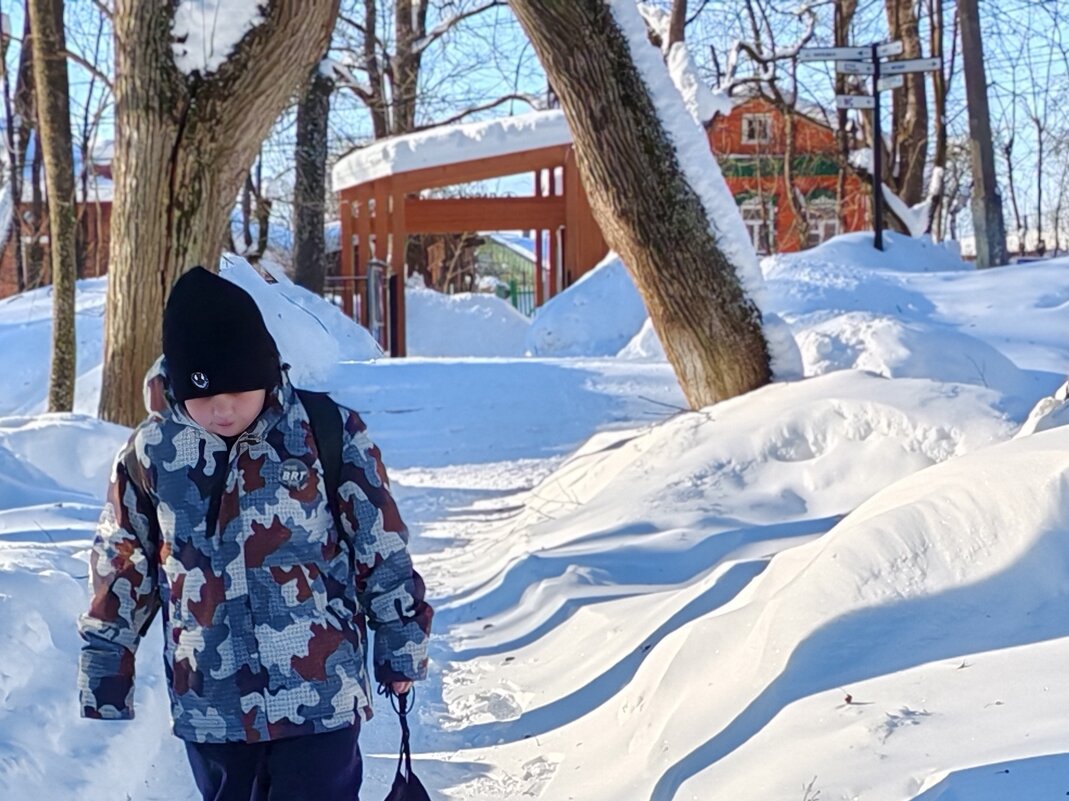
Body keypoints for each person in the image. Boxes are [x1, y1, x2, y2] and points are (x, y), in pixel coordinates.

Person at [77, 266, 432, 800]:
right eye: (202, 395)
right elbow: (122, 562)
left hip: (320, 693)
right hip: (212, 704)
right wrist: (107, 665)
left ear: (265, 370)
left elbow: (380, 547)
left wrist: (400, 642)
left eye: (236, 391)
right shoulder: (152, 456)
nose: (221, 409)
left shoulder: (324, 433)